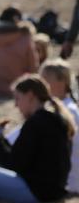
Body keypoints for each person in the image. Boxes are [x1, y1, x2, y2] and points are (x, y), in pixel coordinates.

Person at [0, 74, 73, 203]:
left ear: (30, 96)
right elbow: (21, 157)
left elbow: (15, 164)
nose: (16, 105)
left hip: (38, 193)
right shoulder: (55, 119)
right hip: (54, 190)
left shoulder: (35, 122)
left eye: (18, 98)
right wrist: (1, 140)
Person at [39, 59, 79, 193]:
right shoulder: (69, 108)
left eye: (45, 80)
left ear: (62, 82)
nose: (41, 85)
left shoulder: (63, 111)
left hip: (69, 181)